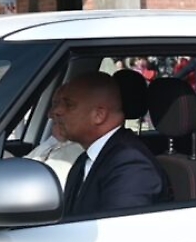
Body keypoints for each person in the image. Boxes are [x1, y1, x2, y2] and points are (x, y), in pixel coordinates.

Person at [50, 72, 170, 215]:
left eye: (69, 105)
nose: (57, 111)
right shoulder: (85, 160)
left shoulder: (131, 166)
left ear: (99, 115)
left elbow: (116, 233)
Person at [22, 122, 84, 188]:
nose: (50, 115)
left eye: (59, 120)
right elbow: (25, 162)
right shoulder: (52, 142)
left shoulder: (74, 152)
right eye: (54, 122)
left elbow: (42, 183)